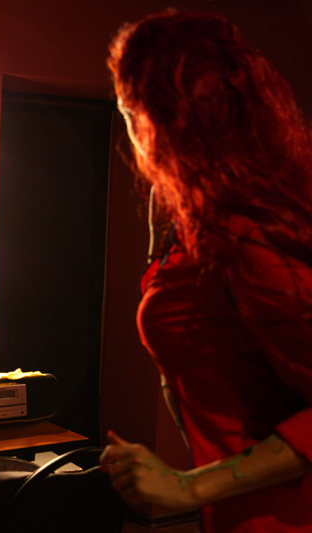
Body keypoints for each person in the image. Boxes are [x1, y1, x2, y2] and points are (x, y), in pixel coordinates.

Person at [101, 11, 312, 532]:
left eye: (130, 109)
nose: (131, 132)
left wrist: (190, 486)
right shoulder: (199, 221)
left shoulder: (243, 233)